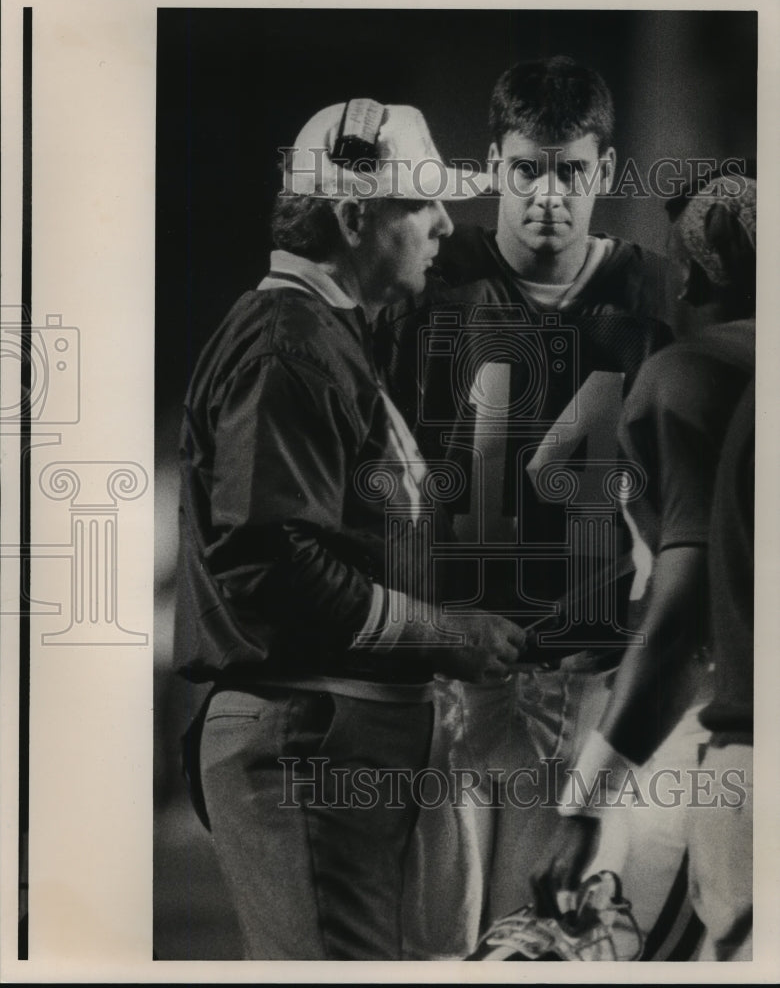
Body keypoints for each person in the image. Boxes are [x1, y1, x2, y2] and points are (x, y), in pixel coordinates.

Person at [172, 98, 528, 961]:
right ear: (354, 213)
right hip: (311, 726)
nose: (445, 223)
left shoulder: (322, 331)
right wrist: (443, 630)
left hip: (339, 730)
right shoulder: (285, 338)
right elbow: (271, 562)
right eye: (422, 203)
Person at [376, 56, 674, 957]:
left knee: (544, 944)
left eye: (572, 172)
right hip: (452, 673)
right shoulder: (431, 278)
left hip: (586, 670)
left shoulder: (654, 292)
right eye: (526, 171)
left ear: (607, 174)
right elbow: (382, 472)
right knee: (434, 943)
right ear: (495, 163)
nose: (548, 196)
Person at [534, 174, 756, 961]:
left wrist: (586, 796)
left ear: (695, 273)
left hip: (707, 725)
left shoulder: (682, 372)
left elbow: (681, 605)